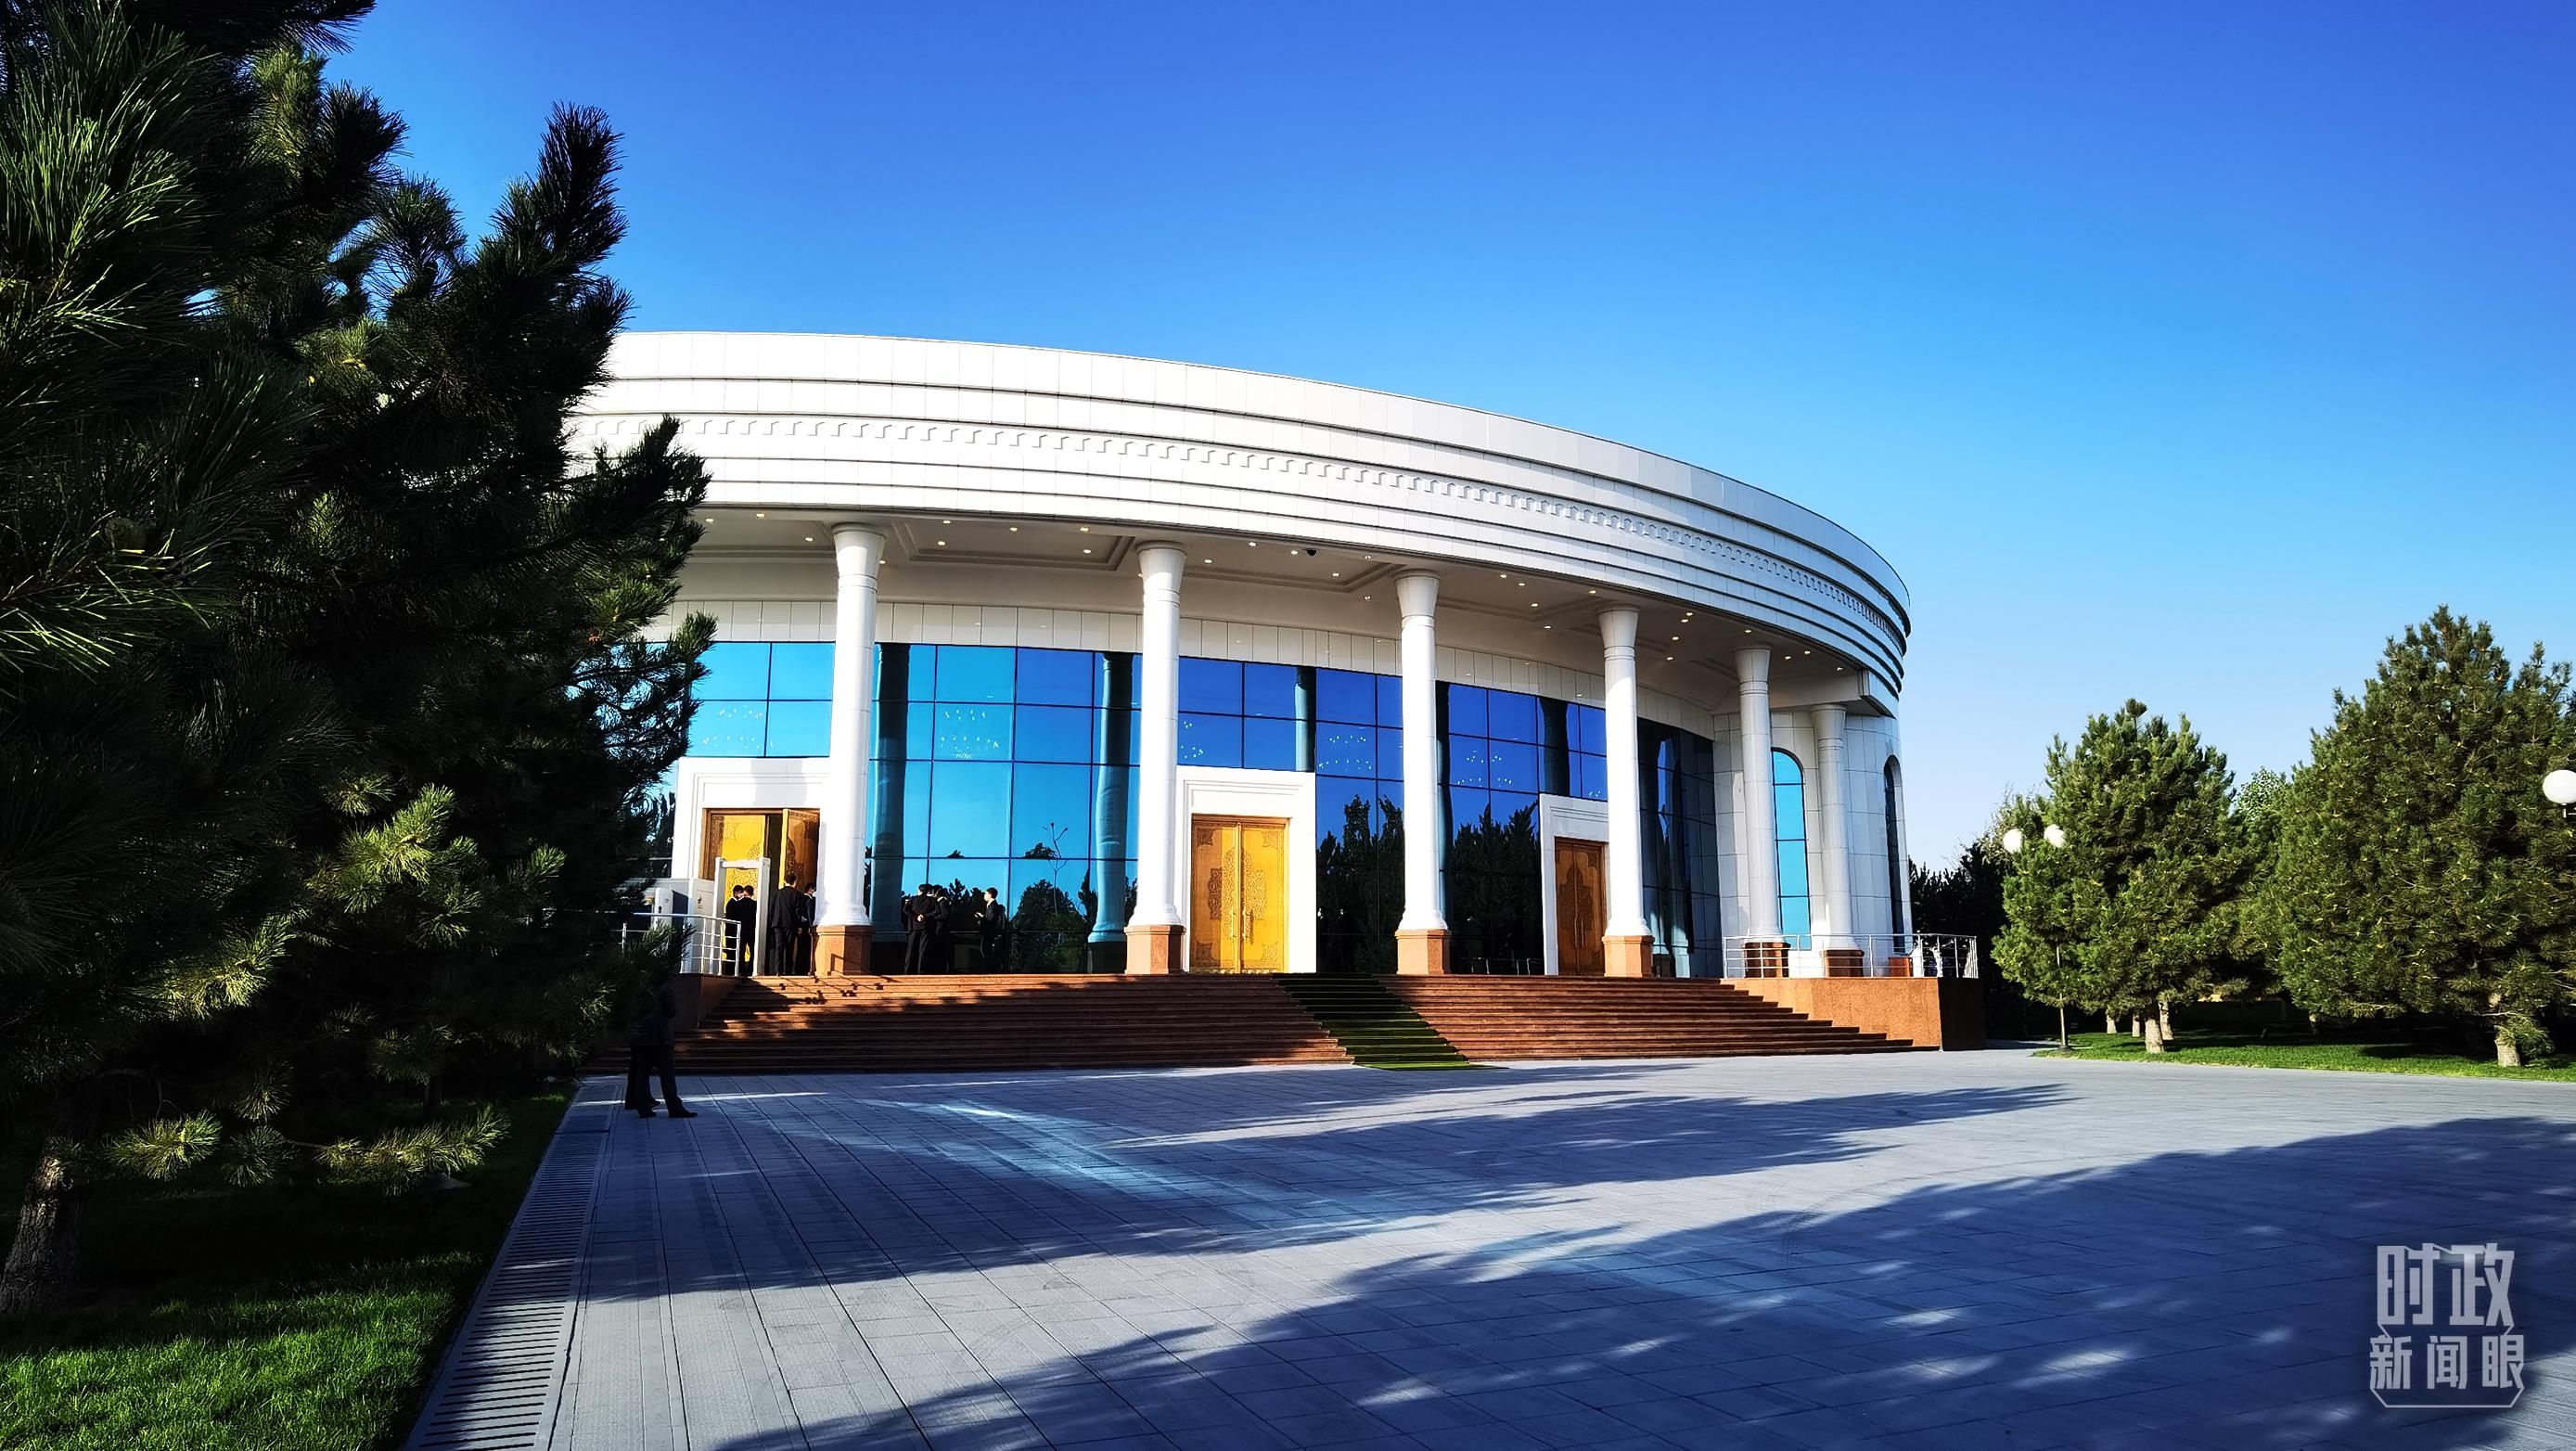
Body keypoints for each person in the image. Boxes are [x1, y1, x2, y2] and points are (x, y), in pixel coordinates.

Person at [623, 982, 697, 1119]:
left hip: (640, 1037)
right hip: (661, 1038)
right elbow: (670, 1010)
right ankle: (674, 1108)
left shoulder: (635, 984)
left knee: (641, 1074)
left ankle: (643, 1108)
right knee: (667, 1076)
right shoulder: (664, 986)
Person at [723, 883, 759, 975]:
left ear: (745, 892)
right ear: (752, 893)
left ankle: (741, 970)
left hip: (740, 931)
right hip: (752, 931)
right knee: (753, 951)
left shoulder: (738, 904)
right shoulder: (755, 905)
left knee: (741, 951)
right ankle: (751, 969)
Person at [903, 882, 939, 973]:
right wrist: (925, 916)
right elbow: (936, 911)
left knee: (910, 950)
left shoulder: (913, 899)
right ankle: (921, 971)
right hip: (926, 927)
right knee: (923, 950)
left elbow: (905, 910)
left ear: (919, 891)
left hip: (914, 927)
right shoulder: (932, 900)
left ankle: (907, 970)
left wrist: (915, 917)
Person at [979, 886, 1014, 971]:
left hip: (989, 933)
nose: (984, 895)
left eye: (986, 894)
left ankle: (990, 970)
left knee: (986, 952)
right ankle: (991, 969)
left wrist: (981, 918)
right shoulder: (992, 906)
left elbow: (990, 919)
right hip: (989, 933)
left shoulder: (992, 906)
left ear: (990, 895)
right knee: (987, 952)